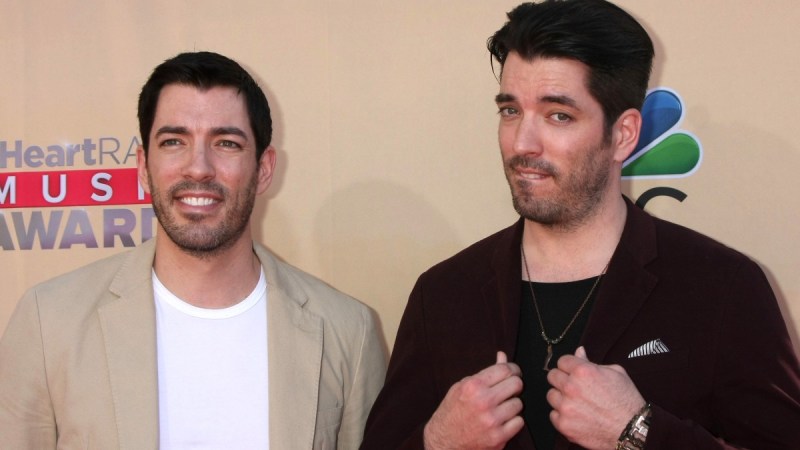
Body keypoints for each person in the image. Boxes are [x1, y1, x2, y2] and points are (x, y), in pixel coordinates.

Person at [361, 1, 800, 449]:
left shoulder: (721, 287)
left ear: (624, 134)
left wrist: (639, 432)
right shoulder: (443, 294)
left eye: (558, 115)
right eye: (511, 111)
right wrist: (437, 442)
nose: (522, 144)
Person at [0, 51, 386, 449]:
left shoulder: (347, 332)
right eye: (173, 141)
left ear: (264, 169)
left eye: (227, 143)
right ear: (143, 166)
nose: (198, 167)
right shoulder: (50, 322)